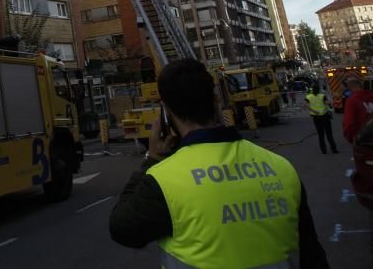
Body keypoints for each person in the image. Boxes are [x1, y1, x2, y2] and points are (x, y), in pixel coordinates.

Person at [109, 59, 328, 268]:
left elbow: (122, 228)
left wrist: (151, 159)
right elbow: (313, 256)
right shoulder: (281, 168)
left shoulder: (163, 180)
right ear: (215, 101)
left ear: (166, 111)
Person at [342, 79, 373, 145]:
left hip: (364, 140)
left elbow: (349, 123)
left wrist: (352, 138)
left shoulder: (352, 100)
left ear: (349, 87)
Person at [305, 83, 338, 154]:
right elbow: (327, 104)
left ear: (312, 90)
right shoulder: (322, 96)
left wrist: (314, 111)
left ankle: (324, 150)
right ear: (319, 90)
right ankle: (334, 149)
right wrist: (332, 101)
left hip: (316, 117)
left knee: (320, 135)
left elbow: (307, 106)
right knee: (329, 134)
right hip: (325, 116)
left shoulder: (308, 97)